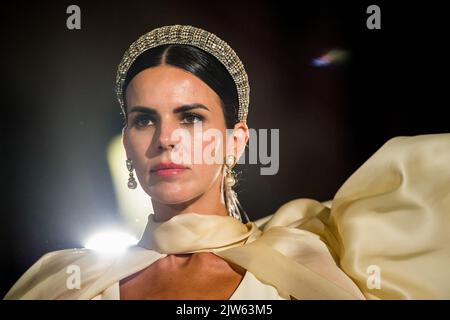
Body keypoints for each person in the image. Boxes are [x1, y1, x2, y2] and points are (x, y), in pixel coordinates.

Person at [4, 25, 450, 300]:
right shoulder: (64, 281)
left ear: (236, 142)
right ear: (127, 142)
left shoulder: (309, 259)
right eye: (144, 120)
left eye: (191, 118)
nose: (166, 140)